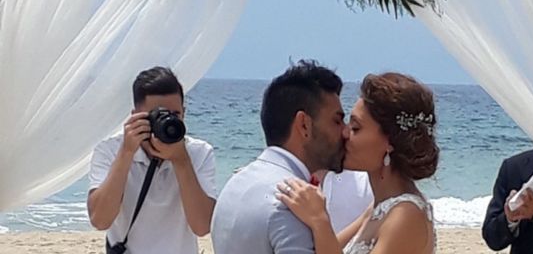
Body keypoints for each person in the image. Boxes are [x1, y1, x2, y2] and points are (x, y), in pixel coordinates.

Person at [277, 72, 439, 254]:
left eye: (356, 128)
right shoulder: (379, 207)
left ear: (390, 141)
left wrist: (319, 220)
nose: (344, 133)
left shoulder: (406, 215)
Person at [211, 60, 347, 254]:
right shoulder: (292, 202)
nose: (346, 131)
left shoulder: (234, 185)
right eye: (337, 121)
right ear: (304, 125)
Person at [87, 66, 217, 254]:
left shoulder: (199, 153)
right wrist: (126, 153)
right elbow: (100, 220)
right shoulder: (110, 151)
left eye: (175, 115)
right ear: (135, 117)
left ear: (184, 113)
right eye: (157, 115)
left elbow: (202, 226)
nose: (167, 121)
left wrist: (181, 161)